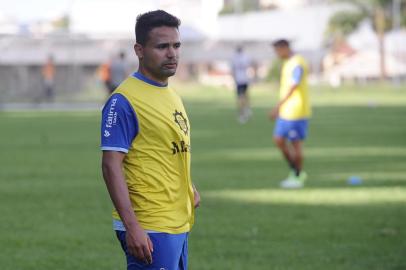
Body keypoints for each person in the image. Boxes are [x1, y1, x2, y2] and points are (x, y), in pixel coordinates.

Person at [100, 10, 200, 270]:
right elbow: (111, 166)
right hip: (149, 225)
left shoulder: (171, 94)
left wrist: (188, 187)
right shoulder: (123, 101)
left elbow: (163, 149)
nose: (172, 53)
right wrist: (133, 227)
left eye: (176, 45)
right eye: (162, 46)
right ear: (139, 50)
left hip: (177, 220)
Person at [269, 39, 311, 189]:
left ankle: (298, 177)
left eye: (278, 51)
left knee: (296, 145)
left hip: (297, 111)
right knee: (278, 140)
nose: (277, 54)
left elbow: (294, 86)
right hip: (286, 112)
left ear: (285, 48)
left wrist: (277, 107)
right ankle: (296, 171)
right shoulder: (287, 63)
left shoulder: (297, 63)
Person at [231, 46, 252, 123]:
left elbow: (233, 69)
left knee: (240, 98)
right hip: (245, 79)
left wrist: (233, 78)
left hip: (239, 80)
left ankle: (242, 113)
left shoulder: (234, 58)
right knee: (245, 96)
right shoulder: (245, 57)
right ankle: (246, 110)